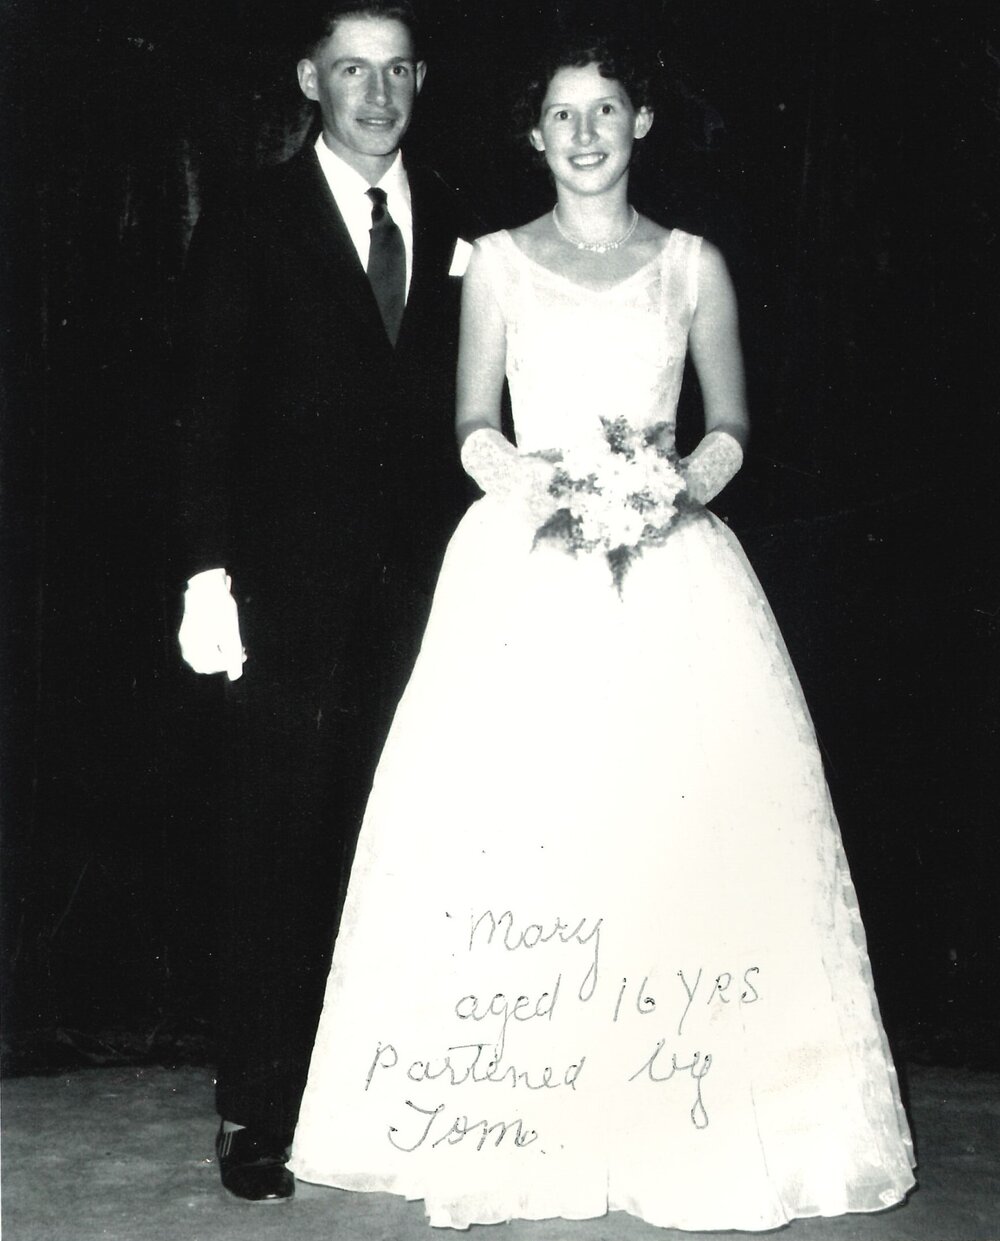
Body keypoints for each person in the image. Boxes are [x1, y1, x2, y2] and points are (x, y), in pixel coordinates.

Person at [287, 32, 917, 1231]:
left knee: (676, 823)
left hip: (669, 564)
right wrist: (549, 493)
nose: (584, 134)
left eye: (606, 111)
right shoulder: (495, 266)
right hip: (527, 563)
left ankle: (678, 1109)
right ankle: (519, 1103)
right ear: (534, 135)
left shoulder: (692, 266)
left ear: (640, 127)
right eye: (562, 115)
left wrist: (670, 489)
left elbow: (727, 425)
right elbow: (473, 423)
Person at [173, 0, 474, 1202]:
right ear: (310, 79)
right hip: (287, 601)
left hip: (432, 597)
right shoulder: (248, 219)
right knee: (279, 847)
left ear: (419, 83)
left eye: (396, 70)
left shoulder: (462, 223)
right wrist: (206, 574)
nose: (376, 93)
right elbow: (198, 413)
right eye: (352, 70)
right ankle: (258, 1106)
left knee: (402, 843)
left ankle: (390, 1094)